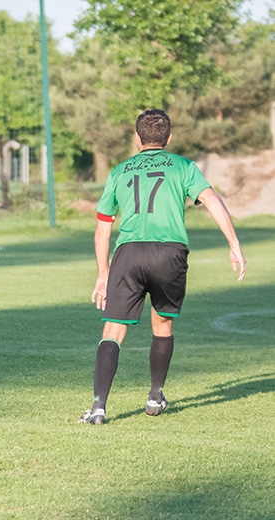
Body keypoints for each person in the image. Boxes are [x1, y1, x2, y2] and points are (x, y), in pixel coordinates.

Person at [79, 109, 246, 425]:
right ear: (168, 138)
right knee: (163, 325)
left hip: (128, 253)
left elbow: (103, 226)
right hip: (170, 253)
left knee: (113, 330)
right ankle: (155, 395)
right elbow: (212, 199)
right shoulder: (183, 166)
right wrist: (233, 243)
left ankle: (99, 407)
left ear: (137, 138)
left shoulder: (120, 171)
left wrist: (103, 274)